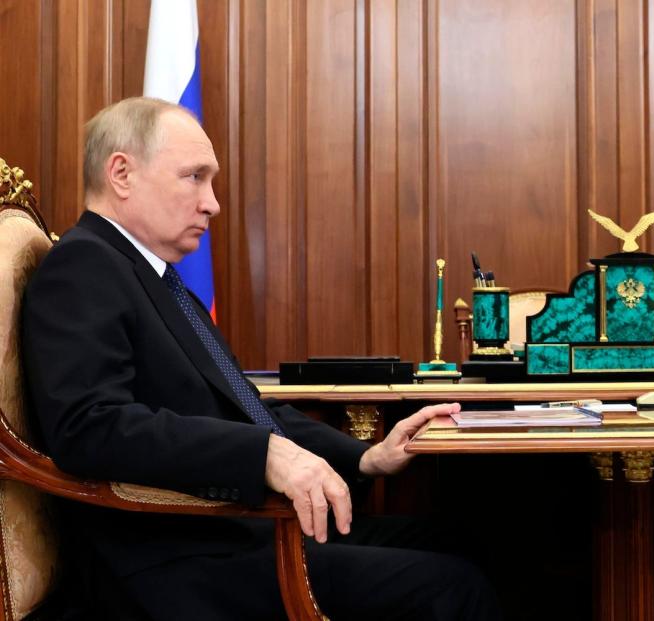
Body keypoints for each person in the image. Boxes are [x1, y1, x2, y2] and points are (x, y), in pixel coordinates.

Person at [21, 97, 501, 620]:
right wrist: (264, 456)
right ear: (122, 174)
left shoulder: (151, 274)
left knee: (459, 541)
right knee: (451, 585)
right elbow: (90, 427)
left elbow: (244, 405)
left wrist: (364, 457)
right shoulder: (84, 266)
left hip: (235, 527)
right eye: (194, 177)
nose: (212, 204)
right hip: (172, 558)